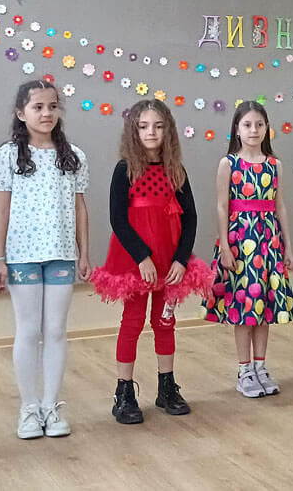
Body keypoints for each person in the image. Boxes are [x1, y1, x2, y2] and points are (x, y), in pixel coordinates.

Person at [91, 100, 211, 424]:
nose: (151, 132)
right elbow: (118, 219)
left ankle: (167, 388)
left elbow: (190, 218)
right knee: (132, 322)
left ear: (167, 130)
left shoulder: (176, 171)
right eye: (143, 126)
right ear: (134, 131)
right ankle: (124, 392)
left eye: (158, 126)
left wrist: (181, 260)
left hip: (169, 262)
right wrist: (141, 257)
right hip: (137, 263)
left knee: (165, 322)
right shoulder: (125, 170)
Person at [0, 80, 90, 439]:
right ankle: (29, 408)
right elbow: (0, 211)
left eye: (52, 106)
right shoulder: (7, 156)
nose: (46, 113)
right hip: (22, 257)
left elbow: (80, 208)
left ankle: (51, 405)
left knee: (56, 331)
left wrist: (84, 252)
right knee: (29, 330)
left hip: (61, 255)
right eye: (38, 107)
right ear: (21, 113)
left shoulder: (73, 156)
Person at [203, 101, 293, 398]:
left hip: (268, 242)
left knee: (264, 308)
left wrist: (288, 246)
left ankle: (260, 366)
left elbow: (280, 206)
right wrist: (225, 247)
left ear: (267, 128)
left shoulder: (274, 165)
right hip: (240, 243)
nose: (253, 130)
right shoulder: (228, 164)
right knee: (245, 308)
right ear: (237, 129)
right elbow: (222, 206)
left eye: (259, 124)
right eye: (247, 125)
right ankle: (244, 370)